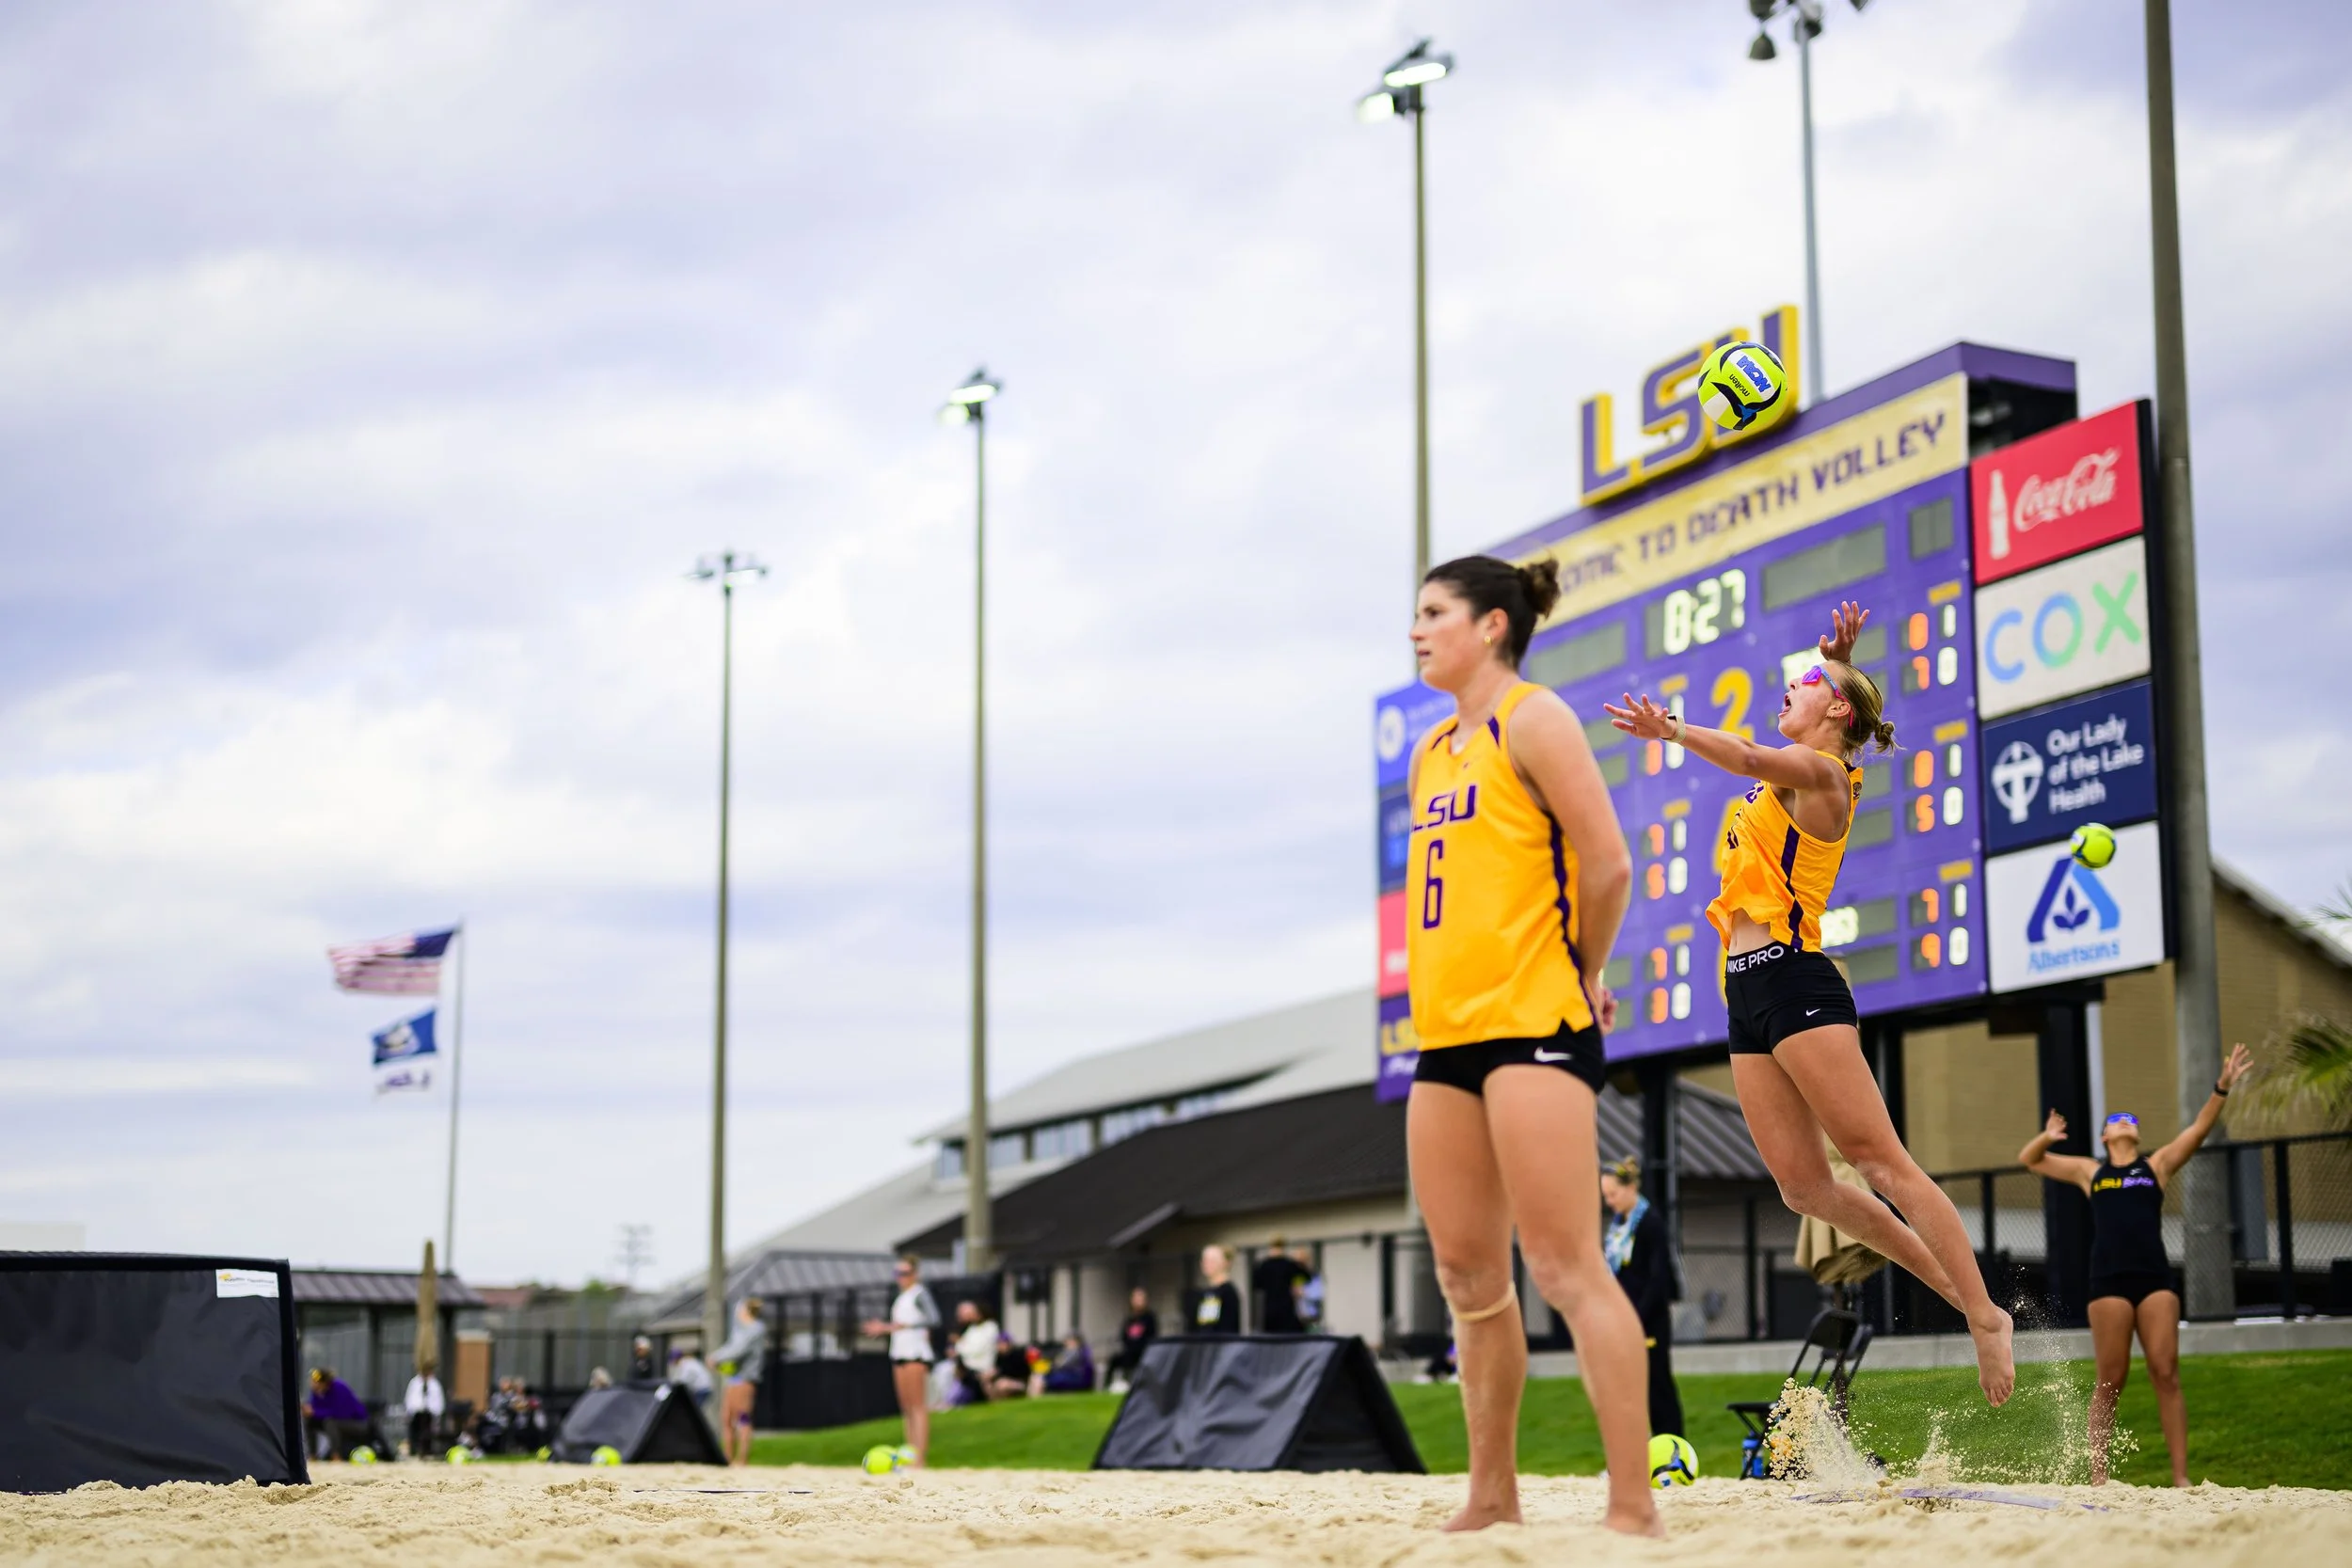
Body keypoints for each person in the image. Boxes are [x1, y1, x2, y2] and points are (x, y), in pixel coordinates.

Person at [1605, 602, 2016, 1408]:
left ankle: (1984, 1316)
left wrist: (1676, 731)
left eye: (1802, 685)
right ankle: (1965, 1295)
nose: (1785, 689)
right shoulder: (1808, 753)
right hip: (1746, 988)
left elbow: (1759, 749)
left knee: (1880, 1161)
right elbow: (1808, 711)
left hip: (1798, 980)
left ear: (1836, 712)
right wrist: (1834, 660)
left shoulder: (1826, 775)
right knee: (1803, 1189)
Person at [1404, 555, 1658, 1537]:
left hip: (1535, 1021)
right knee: (1468, 1274)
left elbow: (1608, 862)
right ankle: (1491, 1493)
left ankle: (1632, 1505)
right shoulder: (1431, 749)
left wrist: (1583, 966)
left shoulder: (1535, 716)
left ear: (1492, 626)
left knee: (1565, 1266)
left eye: (1434, 613)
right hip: (1448, 1035)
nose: (1418, 629)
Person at [2019, 1043, 2251, 1486]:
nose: (2126, 1120)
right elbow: (2029, 1160)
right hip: (2107, 1281)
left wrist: (2222, 1087)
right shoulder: (2091, 1171)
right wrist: (2047, 1138)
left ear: (2136, 1136)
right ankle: (2099, 1476)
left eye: (2132, 1119)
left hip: (2154, 1280)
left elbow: (2200, 1130)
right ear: (2106, 1137)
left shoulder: (2156, 1165)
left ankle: (2181, 1477)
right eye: (2116, 1119)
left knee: (2166, 1371)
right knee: (2112, 1378)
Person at [1599, 1157, 1684, 1441]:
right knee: (1623, 1390)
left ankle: (1673, 1449)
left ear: (1632, 1187)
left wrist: (1637, 1317)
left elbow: (1659, 1278)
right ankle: (1626, 1458)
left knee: (1656, 1386)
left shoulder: (1650, 1223)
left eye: (1614, 1194)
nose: (1610, 1201)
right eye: (1606, 1196)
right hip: (1621, 1317)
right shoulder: (1619, 1226)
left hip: (1648, 1319)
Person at [862, 1255, 939, 1465]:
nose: (900, 1277)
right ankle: (909, 1454)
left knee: (918, 1406)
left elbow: (933, 1319)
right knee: (906, 1407)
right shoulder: (901, 1297)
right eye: (898, 1273)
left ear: (915, 1274)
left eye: (905, 1273)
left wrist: (891, 1327)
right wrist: (889, 1327)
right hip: (899, 1353)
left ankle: (920, 1459)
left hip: (916, 1353)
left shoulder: (919, 1293)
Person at [710, 1297, 768, 1465]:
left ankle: (742, 1459)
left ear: (745, 1311)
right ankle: (727, 1458)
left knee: (742, 1418)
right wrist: (717, 1358)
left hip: (744, 1381)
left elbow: (737, 1350)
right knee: (727, 1418)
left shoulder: (755, 1329)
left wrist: (715, 1358)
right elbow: (731, 1347)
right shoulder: (741, 1331)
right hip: (733, 1380)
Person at [303, 1368, 373, 1461]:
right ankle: (313, 1455)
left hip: (357, 1423)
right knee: (309, 1420)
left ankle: (336, 1455)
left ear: (326, 1383)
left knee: (330, 1422)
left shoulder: (339, 1388)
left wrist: (315, 1412)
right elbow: (315, 1407)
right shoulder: (316, 1392)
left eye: (317, 1382)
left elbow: (341, 1413)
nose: (313, 1384)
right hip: (334, 1421)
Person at [1251, 1238, 1312, 1334]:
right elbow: (1307, 1277)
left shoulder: (1263, 1266)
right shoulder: (1289, 1264)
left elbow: (1256, 1286)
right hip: (1286, 1310)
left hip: (1269, 1310)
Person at [1106, 1287, 1157, 1390]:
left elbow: (1152, 1336)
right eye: (1135, 1298)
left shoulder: (1149, 1318)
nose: (1137, 1301)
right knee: (1114, 1360)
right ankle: (1107, 1386)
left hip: (1143, 1352)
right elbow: (1123, 1336)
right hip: (1129, 1351)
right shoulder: (1130, 1319)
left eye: (1140, 1299)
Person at [951, 1299, 1001, 1405]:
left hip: (982, 1365)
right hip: (967, 1364)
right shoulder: (972, 1329)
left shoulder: (991, 1327)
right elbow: (960, 1347)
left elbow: (976, 1348)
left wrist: (961, 1345)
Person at [1185, 1244, 1242, 1336]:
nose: (1207, 1264)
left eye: (1212, 1260)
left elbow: (1229, 1328)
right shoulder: (1204, 1293)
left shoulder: (1228, 1292)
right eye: (1204, 1260)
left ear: (1225, 1262)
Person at [403, 1363, 446, 1460]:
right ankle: (414, 1450)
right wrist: (410, 1411)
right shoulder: (414, 1382)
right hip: (416, 1413)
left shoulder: (435, 1384)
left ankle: (426, 1450)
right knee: (415, 1427)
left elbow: (439, 1401)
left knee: (427, 1428)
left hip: (429, 1414)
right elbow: (409, 1399)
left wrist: (435, 1413)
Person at [1030, 1332, 1095, 1395]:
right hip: (1068, 1375)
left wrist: (1050, 1366)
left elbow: (1060, 1364)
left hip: (1072, 1377)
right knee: (1038, 1377)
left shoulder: (1074, 1352)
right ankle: (1035, 1397)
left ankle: (1034, 1398)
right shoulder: (1071, 1351)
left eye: (1068, 1340)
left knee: (1039, 1378)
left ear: (1075, 1341)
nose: (1066, 1342)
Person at [668, 1346, 716, 1422]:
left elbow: (682, 1381)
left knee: (693, 1412)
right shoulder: (688, 1362)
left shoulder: (686, 1364)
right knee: (694, 1411)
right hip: (704, 1389)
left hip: (703, 1389)